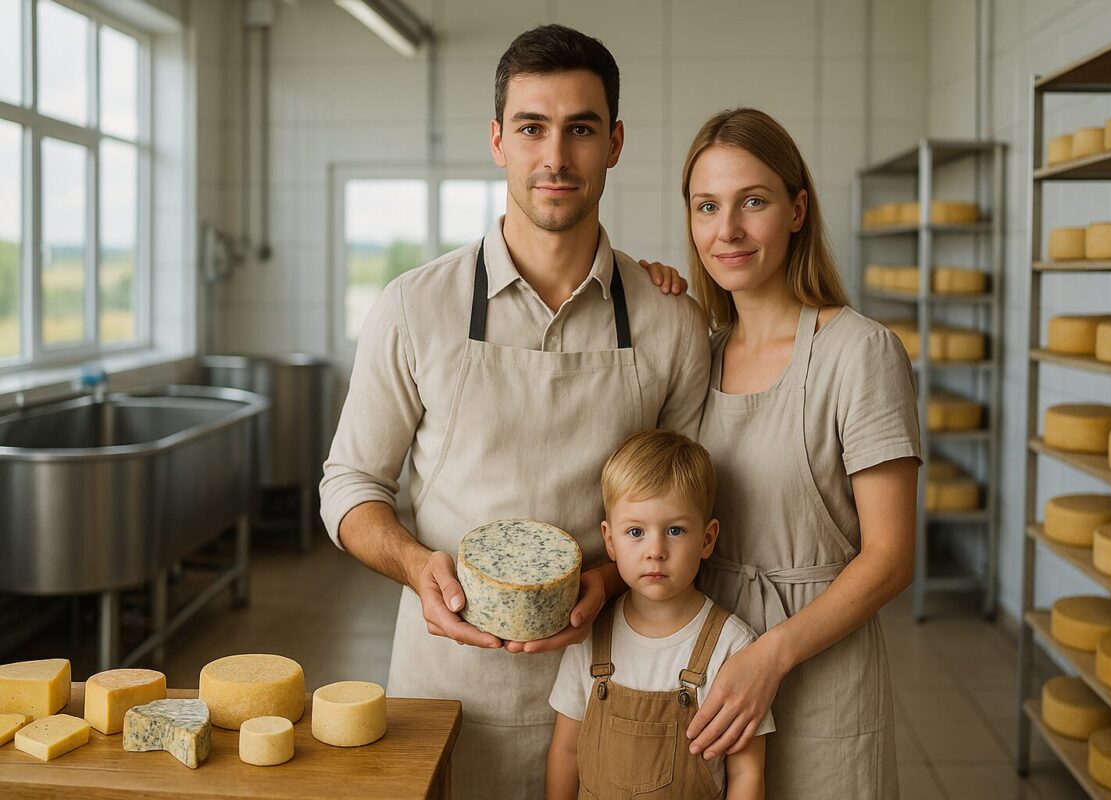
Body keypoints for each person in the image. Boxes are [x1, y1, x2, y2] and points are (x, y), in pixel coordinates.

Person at [318, 25, 710, 798]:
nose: (555, 157)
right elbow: (348, 486)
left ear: (616, 143)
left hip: (617, 679)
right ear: (498, 140)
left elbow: (694, 505)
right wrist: (414, 565)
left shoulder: (671, 322)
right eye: (532, 127)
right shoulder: (413, 306)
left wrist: (606, 576)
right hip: (444, 685)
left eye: (581, 130)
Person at [641, 108, 920, 797]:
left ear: (798, 210)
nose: (726, 230)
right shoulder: (694, 355)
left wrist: (771, 656)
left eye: (752, 202)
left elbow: (891, 559)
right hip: (704, 668)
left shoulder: (858, 352)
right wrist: (652, 302)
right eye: (707, 207)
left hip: (818, 672)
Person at [546, 429, 772, 800]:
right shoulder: (590, 637)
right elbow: (566, 751)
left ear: (707, 539)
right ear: (609, 541)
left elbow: (747, 771)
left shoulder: (732, 645)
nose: (655, 550)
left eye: (675, 530)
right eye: (635, 531)